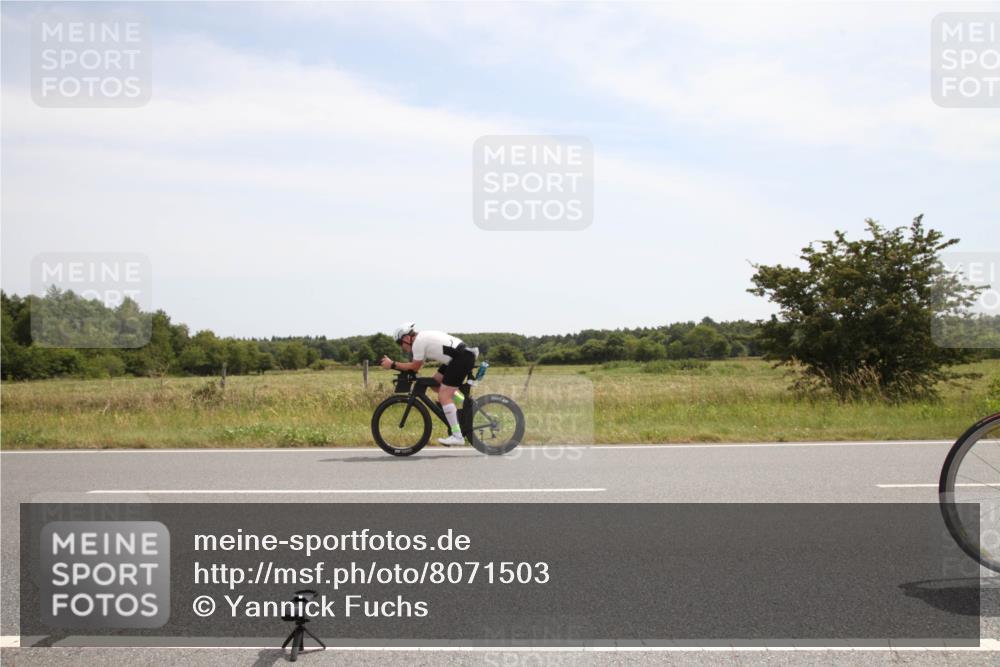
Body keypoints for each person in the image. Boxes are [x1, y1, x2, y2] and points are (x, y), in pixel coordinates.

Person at [380, 322, 476, 446]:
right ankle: (466, 406)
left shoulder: (418, 342)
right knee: (435, 383)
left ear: (406, 338)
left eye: (400, 343)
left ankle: (457, 436)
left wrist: (392, 364)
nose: (401, 347)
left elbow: (415, 366)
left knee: (444, 396)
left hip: (460, 358)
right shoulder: (421, 339)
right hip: (458, 357)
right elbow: (417, 366)